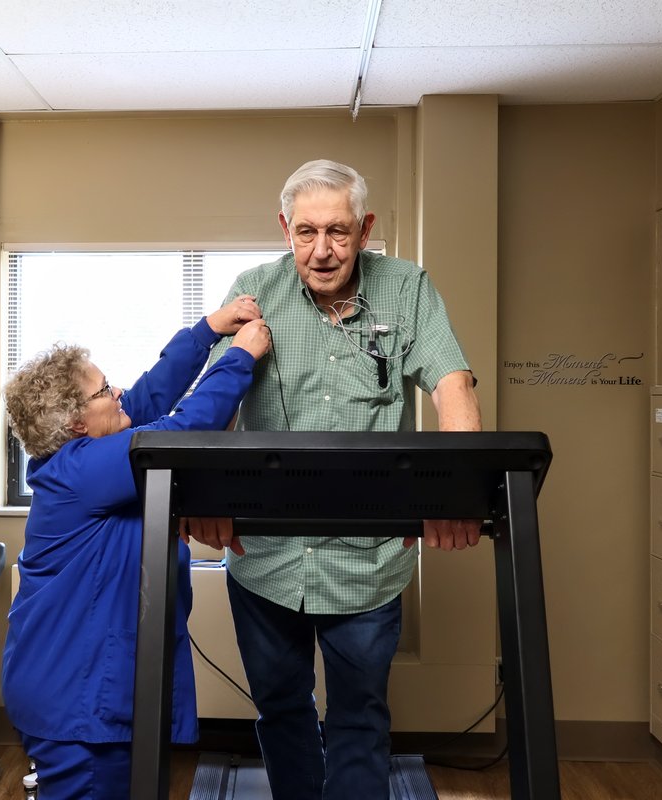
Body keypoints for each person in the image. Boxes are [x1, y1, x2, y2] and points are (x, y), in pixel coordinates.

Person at [187, 159, 483, 800]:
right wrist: (205, 498)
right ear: (284, 228)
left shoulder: (406, 289)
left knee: (359, 714)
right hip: (266, 556)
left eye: (339, 233)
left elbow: (451, 385)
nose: (322, 251)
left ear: (366, 228)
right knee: (282, 708)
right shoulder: (252, 290)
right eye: (306, 232)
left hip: (367, 559)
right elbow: (216, 398)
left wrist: (455, 491)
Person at [0, 297, 270, 800]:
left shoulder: (86, 452)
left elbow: (146, 398)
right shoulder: (83, 470)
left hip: (76, 687)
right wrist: (240, 358)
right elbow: (182, 431)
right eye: (104, 389)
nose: (118, 390)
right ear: (77, 422)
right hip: (73, 697)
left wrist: (207, 331)